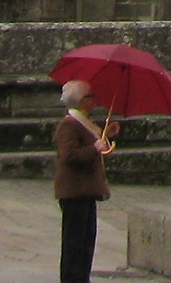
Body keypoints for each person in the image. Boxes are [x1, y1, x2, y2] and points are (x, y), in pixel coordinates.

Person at [53, 80, 116, 283]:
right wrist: (94, 148)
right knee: (75, 242)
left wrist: (106, 135)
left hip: (86, 191)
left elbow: (93, 145)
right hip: (75, 191)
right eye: (90, 97)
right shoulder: (69, 124)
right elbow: (69, 155)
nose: (94, 101)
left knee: (86, 240)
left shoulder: (84, 123)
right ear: (81, 101)